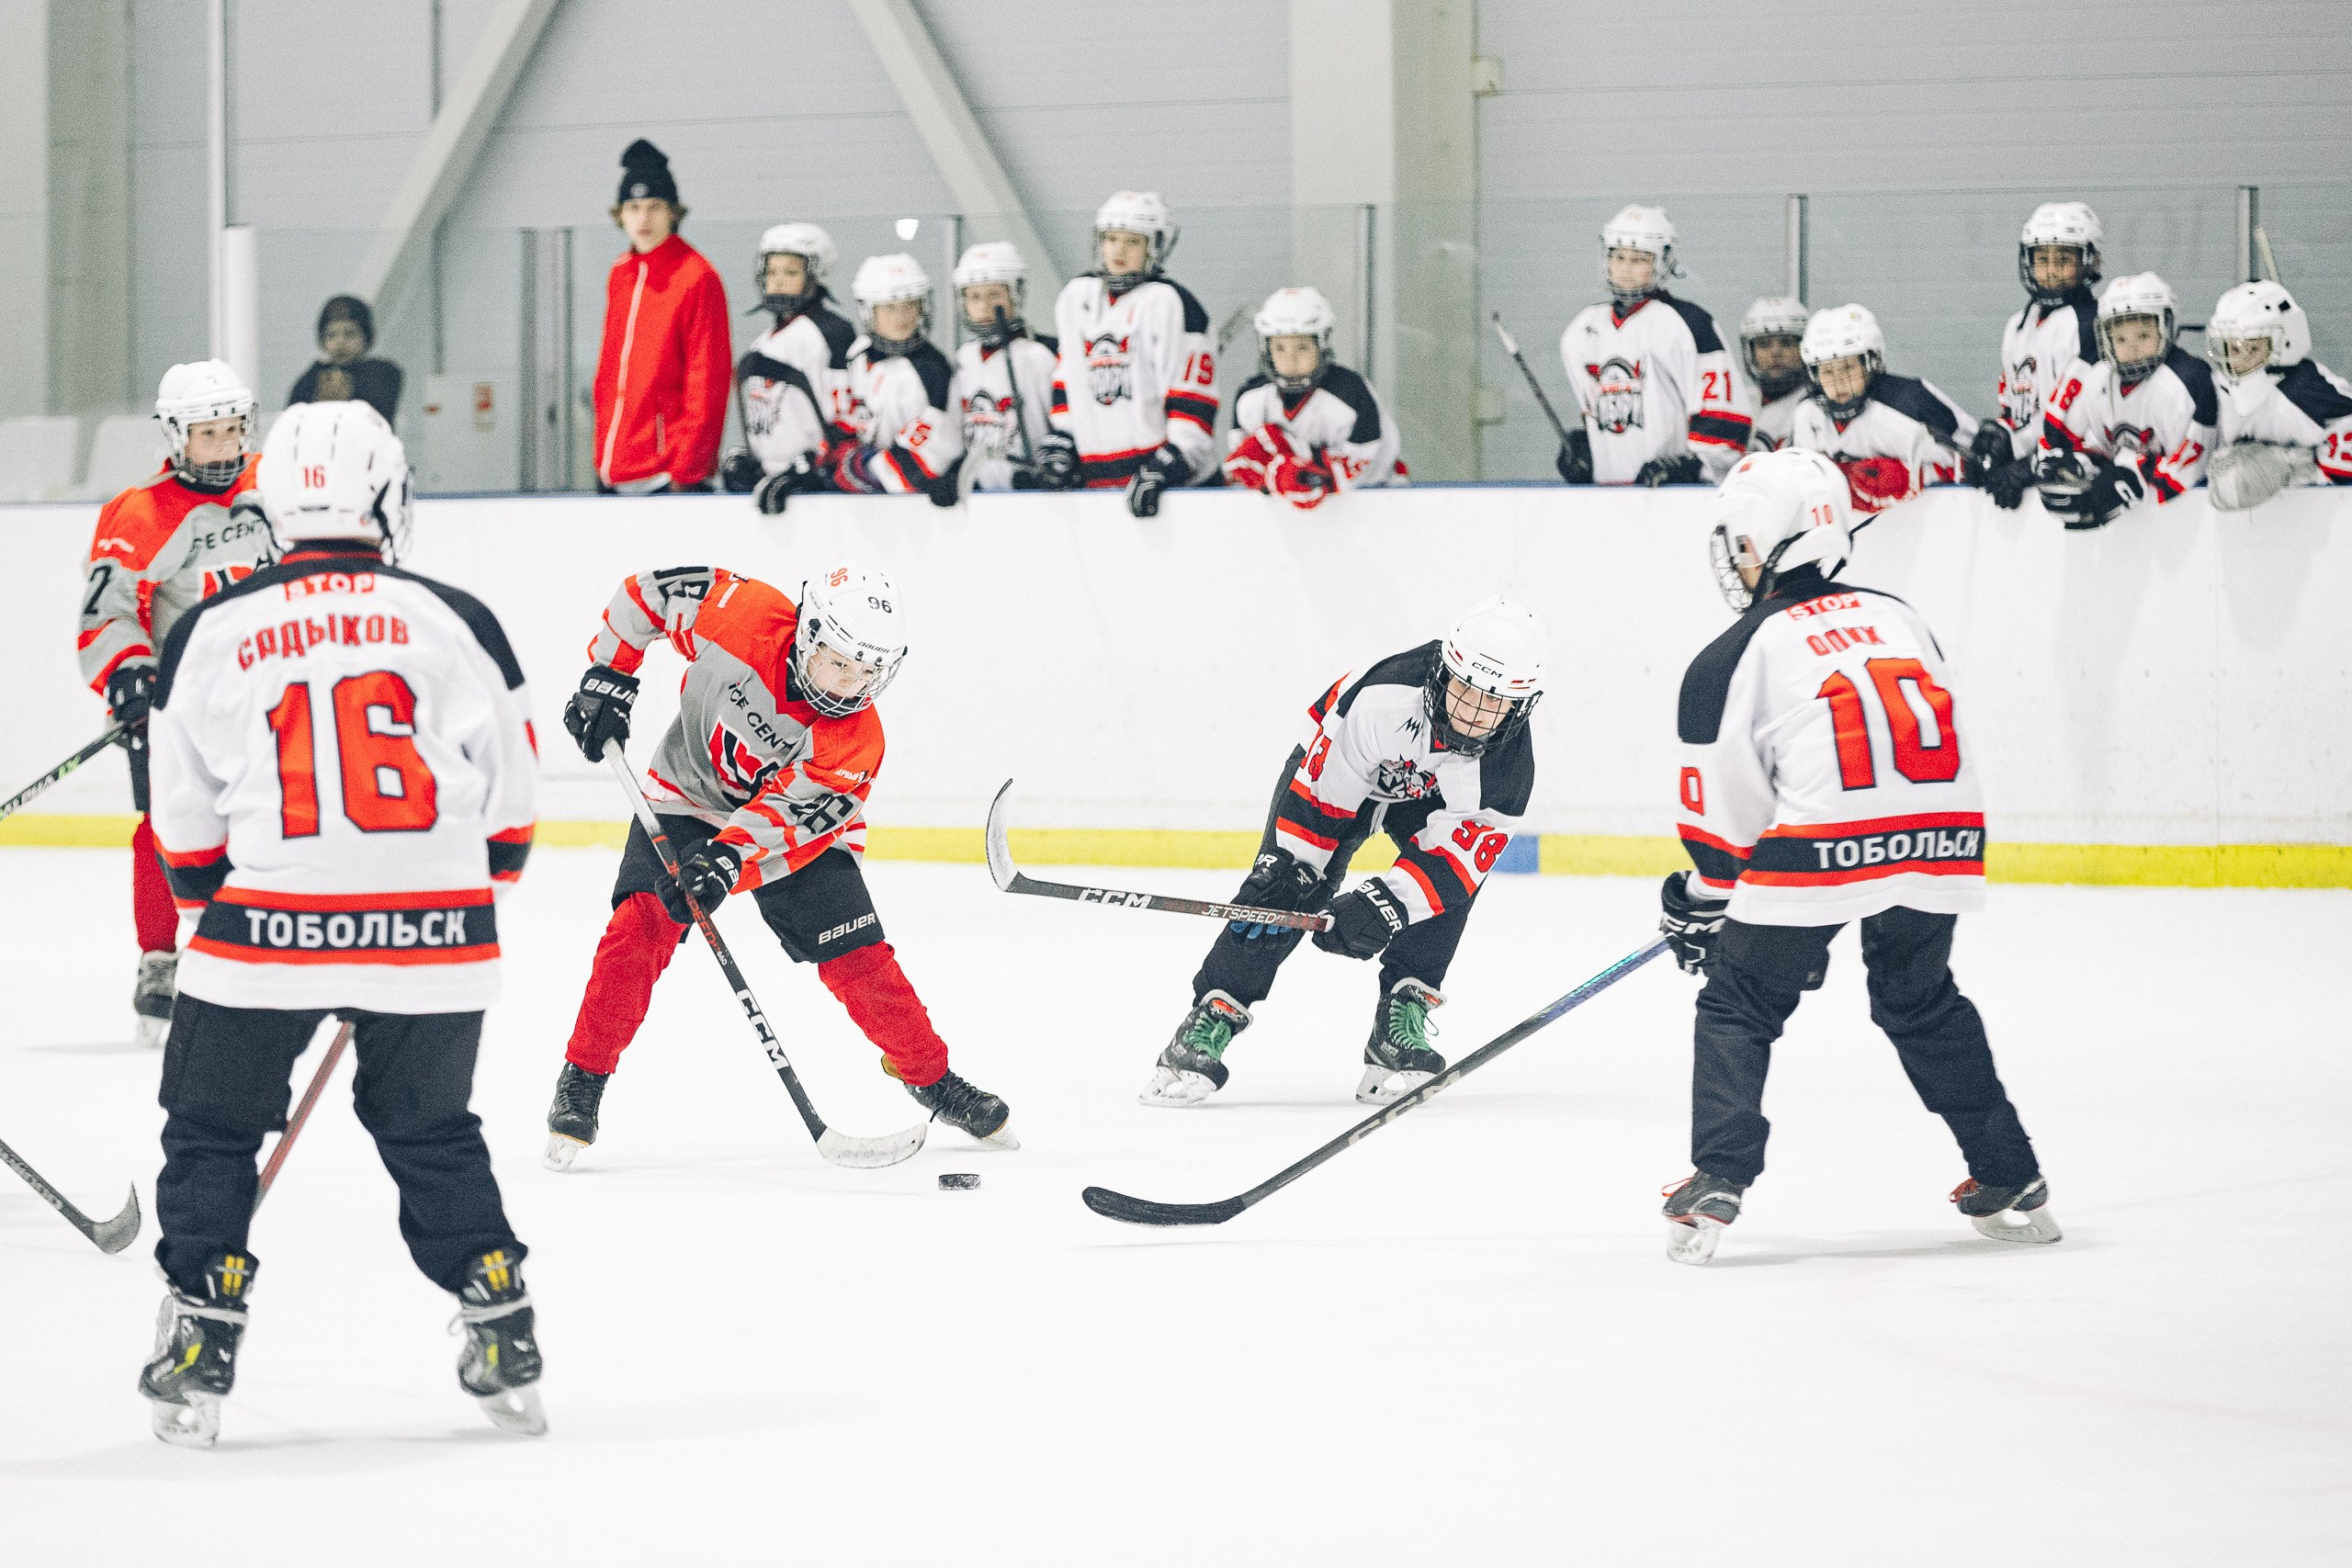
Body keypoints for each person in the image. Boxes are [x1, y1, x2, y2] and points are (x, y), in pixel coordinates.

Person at [139, 402, 545, 1445]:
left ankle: (201, 1324)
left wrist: (231, 915)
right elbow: (511, 800)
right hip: (437, 931)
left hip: (267, 925)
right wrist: (441, 905)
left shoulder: (213, 628)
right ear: (388, 494)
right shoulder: (453, 616)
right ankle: (496, 1305)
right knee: (430, 1127)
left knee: (213, 1126)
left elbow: (181, 822)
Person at [1657, 446, 2055, 1266]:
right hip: (1941, 835)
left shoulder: (1736, 651)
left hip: (1820, 844)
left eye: (1741, 540)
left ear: (1770, 539)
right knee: (1920, 1000)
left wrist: (1703, 899)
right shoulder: (1900, 612)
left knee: (1738, 1000)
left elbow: (1727, 830)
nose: (1734, 559)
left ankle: (1719, 1174)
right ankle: (2008, 1174)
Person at [545, 559, 1013, 1163]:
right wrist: (610, 675)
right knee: (637, 929)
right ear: (808, 635)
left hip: (786, 837)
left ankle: (933, 1079)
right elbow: (644, 595)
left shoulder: (855, 743)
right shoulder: (738, 615)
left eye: (867, 671)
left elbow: (784, 821)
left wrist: (725, 861)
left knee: (860, 960)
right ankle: (583, 1077)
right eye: (839, 662)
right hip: (689, 793)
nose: (850, 684)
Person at [1141, 599, 1544, 1109]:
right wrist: (1294, 870)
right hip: (1342, 774)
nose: (1469, 713)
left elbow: (1454, 862)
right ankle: (1213, 1013)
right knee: (1279, 892)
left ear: (1522, 705)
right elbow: (1324, 799)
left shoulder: (1507, 775)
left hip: (1429, 801)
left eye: (1491, 703)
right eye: (1463, 689)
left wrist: (1383, 906)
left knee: (1447, 893)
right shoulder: (1383, 697)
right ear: (1443, 671)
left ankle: (1403, 1015)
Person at [77, 360, 268, 1047]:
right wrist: (128, 676)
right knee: (162, 826)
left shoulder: (273, 487)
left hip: (273, 698)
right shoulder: (137, 512)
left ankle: (269, 948)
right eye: (207, 434)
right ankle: (160, 958)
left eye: (232, 431)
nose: (223, 447)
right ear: (175, 435)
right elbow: (109, 612)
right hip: (179, 704)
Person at [1036, 191, 1219, 515]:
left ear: (1155, 247)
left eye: (1133, 241)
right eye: (1110, 238)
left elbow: (1191, 395)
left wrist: (1175, 459)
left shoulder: (1172, 303)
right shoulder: (1077, 297)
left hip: (1173, 490)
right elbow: (1069, 380)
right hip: (1096, 483)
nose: (1118, 250)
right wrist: (1064, 436)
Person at [1556, 205, 1751, 486]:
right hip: (1603, 501)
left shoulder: (1689, 324)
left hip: (1674, 500)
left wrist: (1690, 468)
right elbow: (1601, 416)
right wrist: (1586, 447)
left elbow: (1724, 420)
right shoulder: (1582, 331)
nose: (1625, 269)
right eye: (1618, 256)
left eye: (1639, 259)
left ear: (1663, 262)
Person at [591, 139, 730, 493]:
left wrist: (688, 471)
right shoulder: (620, 274)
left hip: (668, 474)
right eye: (633, 207)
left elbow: (707, 381)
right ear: (619, 214)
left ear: (673, 212)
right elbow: (610, 376)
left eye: (654, 206)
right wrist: (602, 456)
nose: (643, 218)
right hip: (616, 469)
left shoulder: (697, 276)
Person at [2031, 273, 2217, 528]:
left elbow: (2191, 470)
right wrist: (2079, 465)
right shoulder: (2098, 379)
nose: (2132, 348)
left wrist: (2131, 477)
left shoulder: (2187, 382)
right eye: (2120, 339)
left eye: (2143, 336)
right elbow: (2099, 445)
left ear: (2167, 328)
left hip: (2200, 527)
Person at [1972, 202, 2103, 511]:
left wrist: (2032, 463)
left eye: (2064, 259)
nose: (2051, 270)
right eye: (2042, 258)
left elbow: (2086, 423)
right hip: (2030, 475)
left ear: (2090, 260)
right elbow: (2019, 406)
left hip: (2075, 479)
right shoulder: (2018, 323)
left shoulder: (2092, 325)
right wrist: (2003, 438)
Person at [720, 222, 857, 514]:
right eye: (771, 272)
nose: (778, 281)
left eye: (791, 272)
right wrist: (754, 464)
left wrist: (816, 468)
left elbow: (846, 414)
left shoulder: (833, 332)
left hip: (819, 489)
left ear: (816, 275)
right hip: (774, 486)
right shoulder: (762, 342)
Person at [1224, 286, 1404, 507]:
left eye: (1301, 347)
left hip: (1378, 509)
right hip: (1284, 522)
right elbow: (1243, 467)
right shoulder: (1250, 400)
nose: (1291, 359)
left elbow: (1367, 468)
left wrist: (1296, 469)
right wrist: (1274, 475)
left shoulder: (1351, 394)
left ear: (1322, 344)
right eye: (1280, 348)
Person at [1791, 303, 1975, 514]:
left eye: (1848, 367)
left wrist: (1913, 476)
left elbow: (1973, 459)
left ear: (1871, 363)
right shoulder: (1807, 413)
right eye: (1827, 372)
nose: (1839, 382)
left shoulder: (1909, 403)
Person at [820, 254, 961, 498]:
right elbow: (844, 422)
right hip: (860, 503)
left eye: (910, 305)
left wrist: (865, 469)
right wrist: (837, 457)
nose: (901, 317)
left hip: (910, 504)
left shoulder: (934, 369)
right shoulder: (858, 355)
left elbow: (936, 450)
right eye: (889, 308)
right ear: (869, 311)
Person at [2201, 280, 2352, 509]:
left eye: (2252, 348)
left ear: (2287, 341)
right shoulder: (2223, 387)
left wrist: (2294, 465)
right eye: (2232, 348)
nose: (2238, 360)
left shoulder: (2303, 389)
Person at [944, 241, 1058, 494]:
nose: (984, 306)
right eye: (974, 296)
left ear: (1015, 295)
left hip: (1035, 495)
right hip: (979, 499)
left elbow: (1061, 424)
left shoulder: (1039, 356)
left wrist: (1053, 470)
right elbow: (954, 430)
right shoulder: (963, 359)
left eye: (994, 295)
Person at [286, 295, 402, 425]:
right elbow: (290, 424)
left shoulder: (382, 373)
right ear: (322, 340)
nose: (340, 342)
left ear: (366, 337)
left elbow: (380, 418)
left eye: (350, 333)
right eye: (331, 335)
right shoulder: (311, 379)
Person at [1737, 297, 1811, 451]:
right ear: (1751, 352)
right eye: (1764, 345)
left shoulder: (1816, 404)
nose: (1775, 353)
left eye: (1786, 343)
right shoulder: (1741, 401)